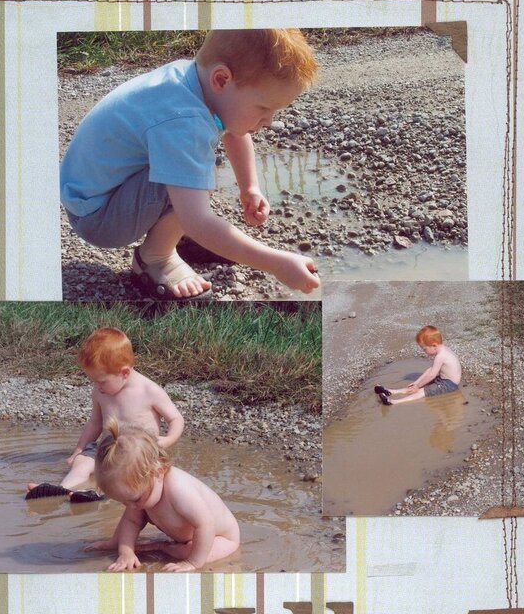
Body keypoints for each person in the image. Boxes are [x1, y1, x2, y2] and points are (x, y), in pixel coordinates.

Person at [60, 29, 321, 299]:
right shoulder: (183, 120)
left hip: (91, 195)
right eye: (264, 108)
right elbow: (198, 220)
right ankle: (156, 258)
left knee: (191, 167)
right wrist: (276, 263)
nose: (269, 120)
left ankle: (172, 233)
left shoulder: (194, 80)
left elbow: (234, 130)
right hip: (98, 218)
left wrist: (250, 187)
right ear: (222, 79)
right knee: (194, 173)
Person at [26, 327, 184, 502]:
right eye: (93, 381)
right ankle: (63, 489)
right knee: (82, 463)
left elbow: (176, 419)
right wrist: (78, 450)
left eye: (101, 381)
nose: (97, 386)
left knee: (129, 474)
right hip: (105, 446)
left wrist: (168, 439)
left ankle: (102, 495)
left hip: (138, 451)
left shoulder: (149, 391)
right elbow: (94, 423)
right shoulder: (100, 391)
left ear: (124, 373)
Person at [85, 418, 240, 572]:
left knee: (185, 553)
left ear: (158, 472)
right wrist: (124, 551)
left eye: (135, 499)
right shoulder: (143, 492)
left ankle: (164, 547)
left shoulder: (179, 490)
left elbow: (205, 524)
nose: (131, 506)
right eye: (123, 502)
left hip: (220, 538)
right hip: (188, 537)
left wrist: (192, 563)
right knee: (137, 520)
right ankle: (162, 546)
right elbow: (131, 522)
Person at [375, 325, 461, 405]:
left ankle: (394, 402)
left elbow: (431, 376)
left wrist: (419, 386)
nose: (424, 352)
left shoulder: (440, 356)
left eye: (425, 349)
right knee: (416, 387)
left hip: (449, 385)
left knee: (422, 391)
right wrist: (416, 383)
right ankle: (390, 391)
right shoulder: (444, 350)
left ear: (434, 345)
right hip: (445, 380)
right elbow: (430, 370)